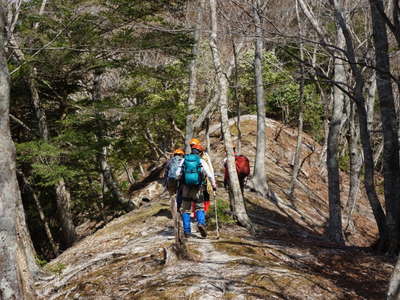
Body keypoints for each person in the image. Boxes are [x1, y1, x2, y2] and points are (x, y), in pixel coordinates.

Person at [180, 144, 217, 238]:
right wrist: (213, 184)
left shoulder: (184, 160)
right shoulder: (201, 161)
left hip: (186, 188)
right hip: (197, 188)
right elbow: (209, 174)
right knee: (199, 207)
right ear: (200, 152)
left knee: (186, 209)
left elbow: (177, 174)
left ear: (191, 150)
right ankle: (201, 223)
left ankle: (187, 232)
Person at [189, 138, 215, 213]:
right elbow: (210, 168)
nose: (192, 146)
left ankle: (201, 211)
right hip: (203, 179)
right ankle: (204, 211)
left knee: (201, 195)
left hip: (197, 179)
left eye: (193, 145)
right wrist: (213, 180)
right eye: (191, 145)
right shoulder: (204, 155)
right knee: (204, 195)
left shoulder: (190, 156)